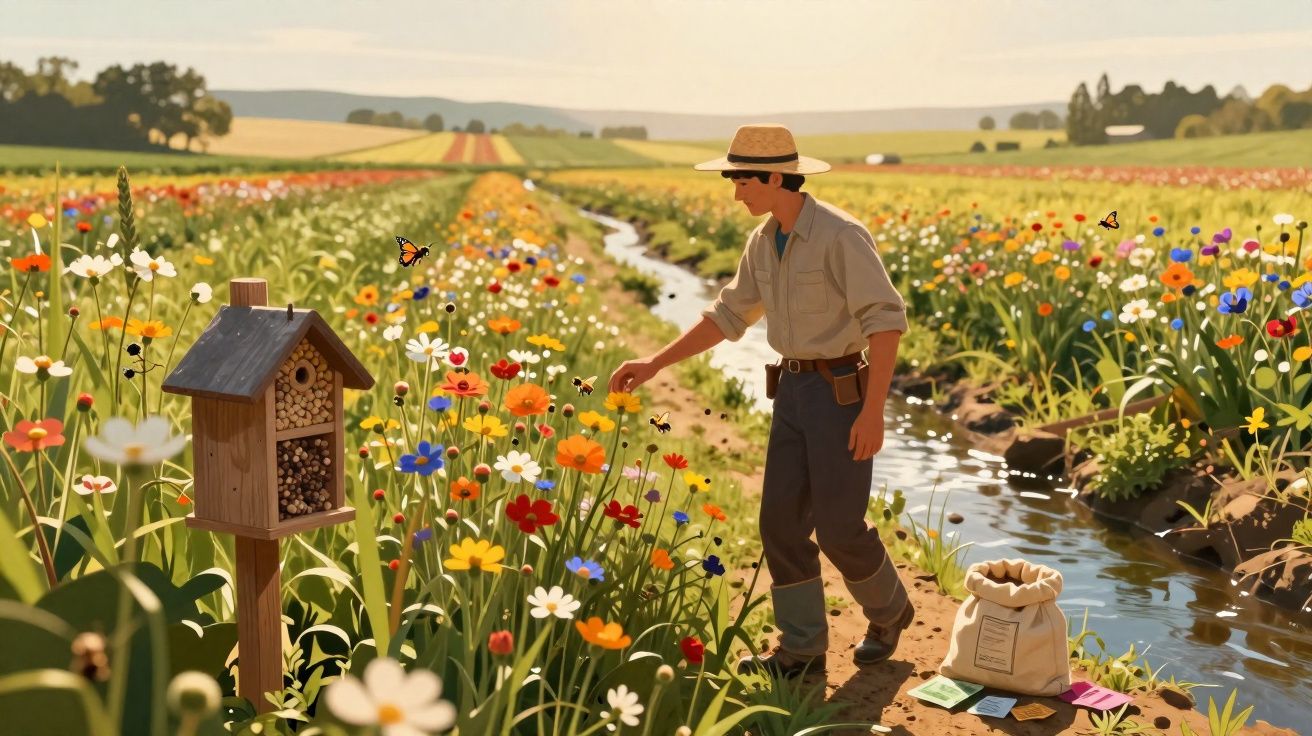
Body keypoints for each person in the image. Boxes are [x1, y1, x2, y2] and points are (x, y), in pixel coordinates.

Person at [607, 123, 914, 679]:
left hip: (843, 393)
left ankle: (890, 613)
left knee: (841, 527)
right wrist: (654, 363)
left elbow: (886, 323)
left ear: (775, 177)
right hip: (792, 393)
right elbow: (728, 317)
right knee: (779, 523)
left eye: (743, 181)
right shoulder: (762, 242)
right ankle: (802, 649)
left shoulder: (843, 236)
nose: (736, 193)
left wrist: (874, 411)